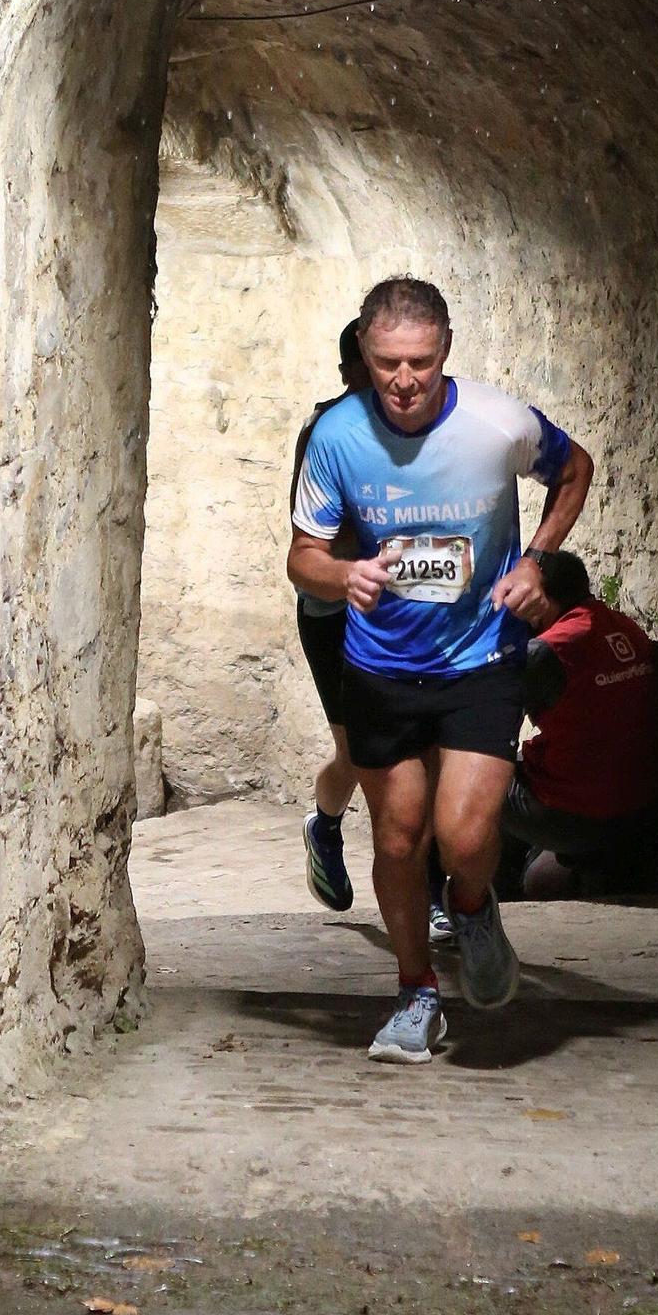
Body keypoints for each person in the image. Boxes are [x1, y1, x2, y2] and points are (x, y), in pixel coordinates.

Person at [287, 277, 594, 1064]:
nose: (403, 380)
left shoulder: (497, 422)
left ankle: (471, 903)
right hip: (381, 665)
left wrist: (536, 559)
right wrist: (342, 576)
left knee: (462, 836)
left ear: (444, 351)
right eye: (387, 361)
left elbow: (574, 468)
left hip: (478, 657)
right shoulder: (335, 436)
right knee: (396, 842)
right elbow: (302, 557)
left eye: (419, 362)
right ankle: (415, 993)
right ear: (365, 353)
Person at [500, 550, 658, 898]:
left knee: (468, 782)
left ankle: (474, 902)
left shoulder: (550, 650)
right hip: (635, 806)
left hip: (575, 812)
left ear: (540, 600)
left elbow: (489, 724)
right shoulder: (626, 628)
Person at [290, 318, 372, 913]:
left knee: (415, 752)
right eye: (373, 370)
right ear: (347, 372)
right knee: (361, 754)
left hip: (402, 614)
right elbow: (310, 543)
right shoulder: (325, 433)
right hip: (335, 613)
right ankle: (325, 825)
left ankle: (432, 891)